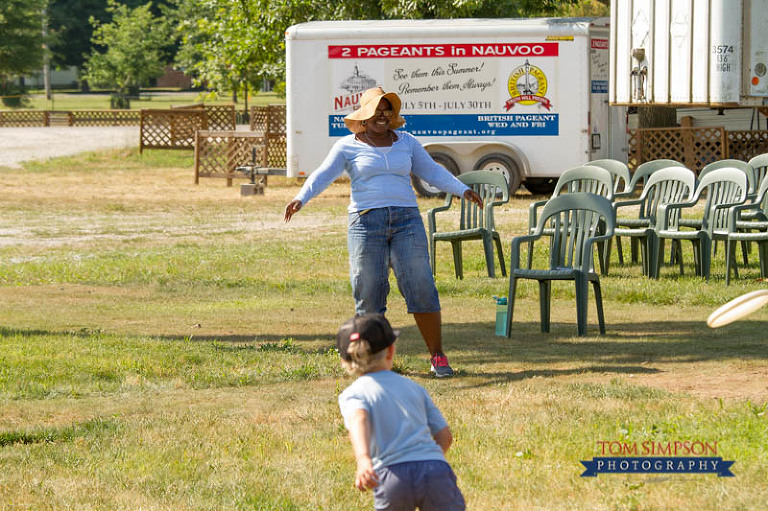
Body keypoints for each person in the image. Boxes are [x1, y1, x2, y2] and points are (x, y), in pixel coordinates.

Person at [284, 86, 483, 377]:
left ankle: (438, 356)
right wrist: (302, 197)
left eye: (387, 110)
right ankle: (371, 362)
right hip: (365, 223)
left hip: (407, 221)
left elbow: (433, 172)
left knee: (420, 284)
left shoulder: (407, 142)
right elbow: (323, 174)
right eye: (377, 110)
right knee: (369, 290)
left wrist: (462, 189)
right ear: (364, 116)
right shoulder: (347, 146)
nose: (382, 115)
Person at [336, 313, 466, 510]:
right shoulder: (415, 388)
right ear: (391, 351)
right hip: (435, 470)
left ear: (345, 361)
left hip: (391, 475)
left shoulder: (353, 394)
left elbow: (359, 419)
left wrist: (363, 460)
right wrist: (431, 460)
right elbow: (445, 436)